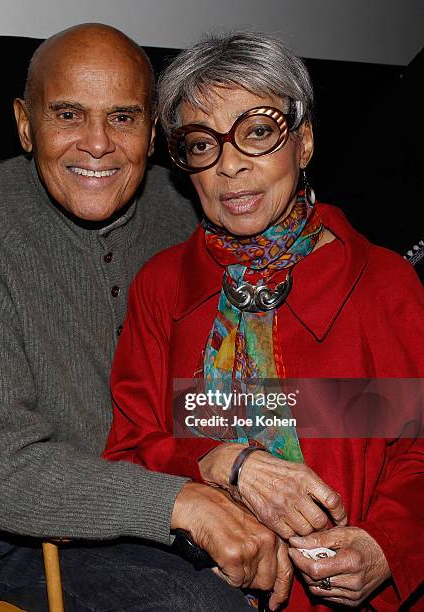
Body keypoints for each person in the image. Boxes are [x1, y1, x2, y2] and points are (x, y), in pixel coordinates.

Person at [0, 23, 292, 611]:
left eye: (122, 117)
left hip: (160, 501)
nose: (97, 143)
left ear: (152, 131)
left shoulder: (189, 214)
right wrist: (181, 502)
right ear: (24, 123)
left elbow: (209, 393)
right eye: (68, 115)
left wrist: (260, 465)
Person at [104, 31, 424, 610]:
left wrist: (388, 545)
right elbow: (130, 450)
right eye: (202, 144)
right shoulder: (164, 287)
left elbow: (418, 450)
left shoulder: (383, 285)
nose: (230, 165)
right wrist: (224, 461)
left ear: (302, 143)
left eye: (256, 132)